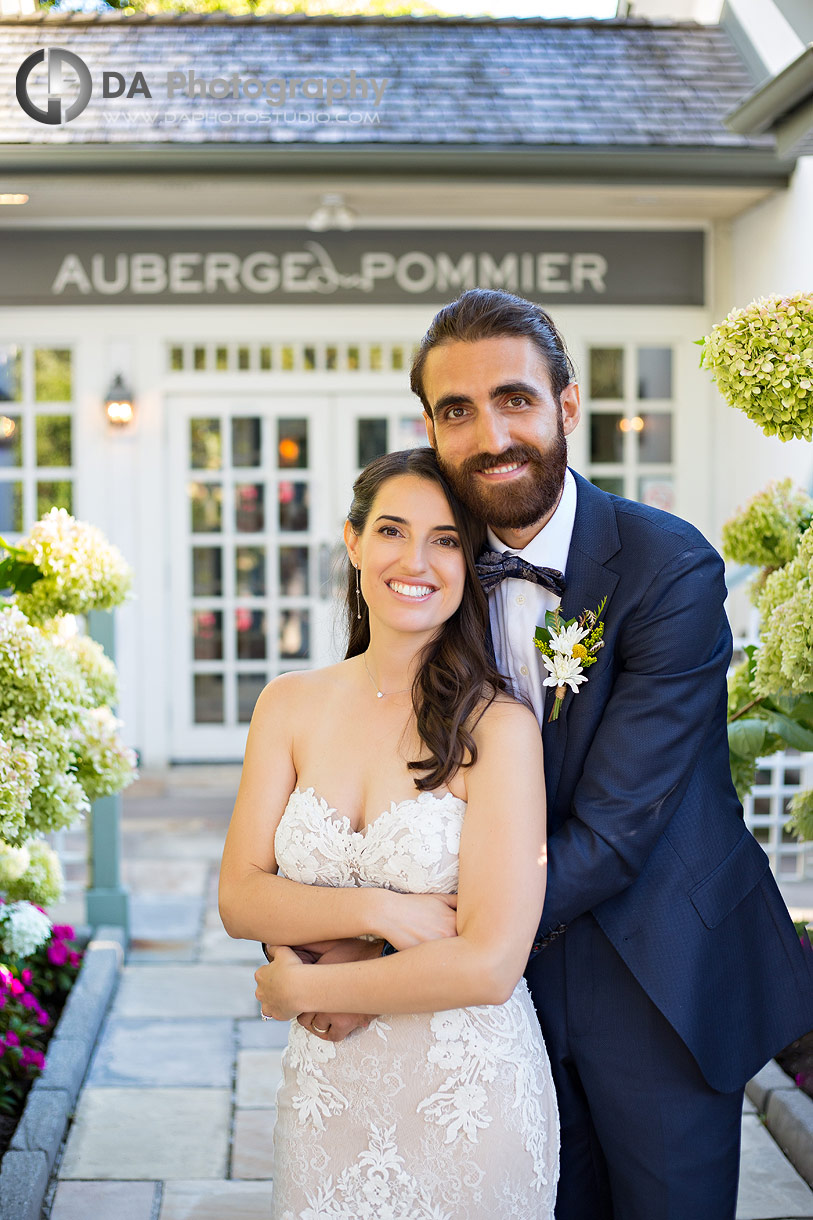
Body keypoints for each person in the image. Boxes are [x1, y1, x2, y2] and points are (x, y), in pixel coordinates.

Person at [278, 288, 813, 1220]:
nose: (491, 434)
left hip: (658, 969)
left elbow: (614, 829)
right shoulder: (429, 571)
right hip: (493, 1003)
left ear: (567, 405)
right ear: (430, 429)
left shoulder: (667, 567)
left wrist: (379, 953)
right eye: (457, 411)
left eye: (514, 398)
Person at [219, 446, 560, 1219]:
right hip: (326, 1099)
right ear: (352, 542)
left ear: (470, 561)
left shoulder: (498, 727)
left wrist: (304, 983)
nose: (416, 561)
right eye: (392, 532)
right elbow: (241, 897)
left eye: (444, 540)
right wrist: (382, 911)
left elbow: (487, 967)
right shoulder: (288, 704)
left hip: (467, 1099)